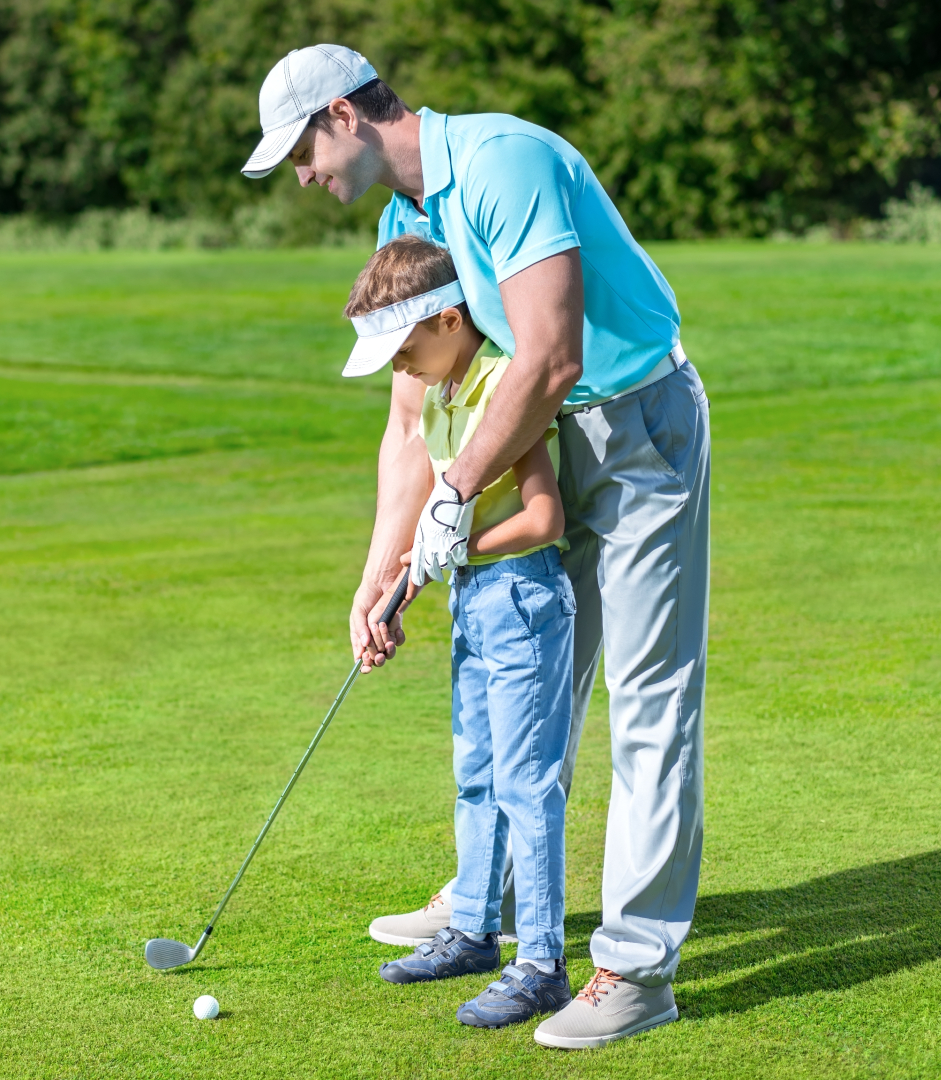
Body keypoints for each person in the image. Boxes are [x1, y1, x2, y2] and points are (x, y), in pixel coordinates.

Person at [242, 45, 709, 1050]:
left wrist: (457, 496)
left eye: (301, 151)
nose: (302, 175)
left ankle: (635, 967)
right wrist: (382, 573)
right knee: (539, 683)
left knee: (647, 694)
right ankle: (479, 906)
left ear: (344, 114)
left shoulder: (502, 162)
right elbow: (413, 412)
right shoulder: (402, 221)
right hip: (537, 429)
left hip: (636, 427)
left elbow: (554, 353)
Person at [345, 235, 575, 1028]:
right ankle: (473, 930)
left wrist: (459, 546)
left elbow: (545, 518)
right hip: (475, 602)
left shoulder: (503, 385)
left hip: (525, 600)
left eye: (405, 349)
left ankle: (542, 961)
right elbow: (442, 527)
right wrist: (399, 589)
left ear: (448, 321)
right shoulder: (442, 395)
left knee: (525, 783)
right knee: (475, 774)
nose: (400, 369)